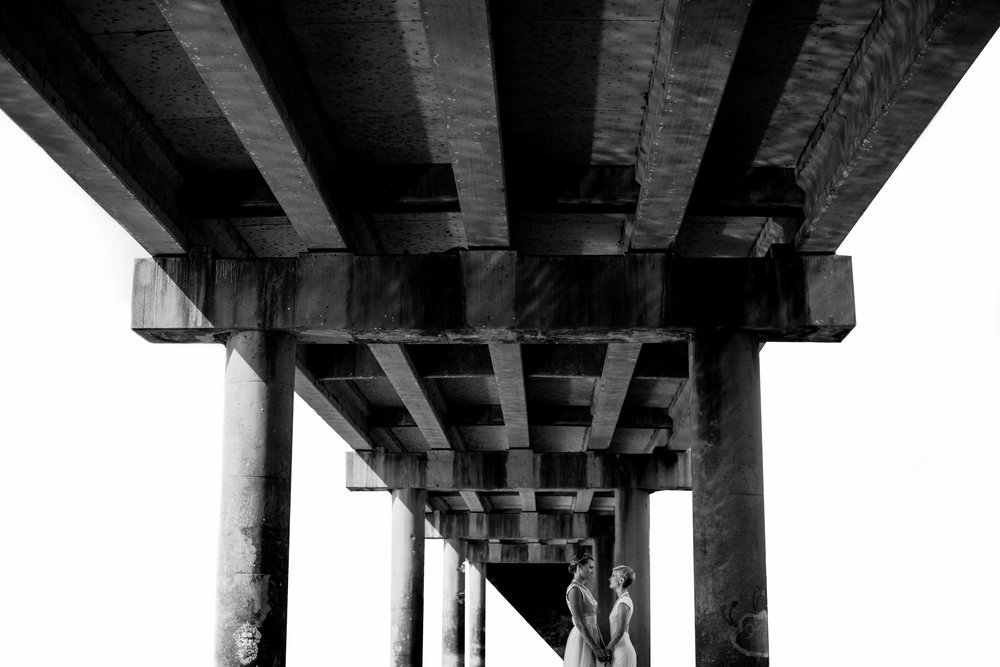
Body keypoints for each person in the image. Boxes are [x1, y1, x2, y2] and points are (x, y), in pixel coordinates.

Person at [564, 552, 610, 666]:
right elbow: (579, 622)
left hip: (592, 634)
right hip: (583, 638)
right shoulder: (574, 590)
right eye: (590, 567)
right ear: (579, 567)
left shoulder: (583, 588)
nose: (592, 571)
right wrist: (596, 648)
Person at [605, 565, 637, 667]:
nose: (610, 578)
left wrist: (607, 649)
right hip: (618, 649)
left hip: (623, 651)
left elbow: (620, 631)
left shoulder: (624, 602)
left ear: (621, 580)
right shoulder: (620, 601)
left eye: (613, 576)